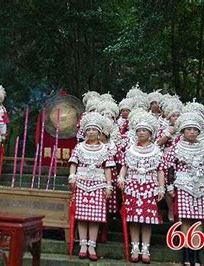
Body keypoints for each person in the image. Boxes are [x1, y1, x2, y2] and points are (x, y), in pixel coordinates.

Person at [165, 112, 204, 266]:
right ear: (182, 131)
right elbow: (170, 168)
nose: (192, 132)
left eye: (195, 130)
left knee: (199, 220)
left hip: (202, 186)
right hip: (183, 185)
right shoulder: (176, 147)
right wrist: (169, 186)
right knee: (186, 220)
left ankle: (196, 253)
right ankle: (186, 254)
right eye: (188, 129)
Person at [118, 110, 165, 264]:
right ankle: (135, 247)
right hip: (132, 186)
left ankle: (145, 247)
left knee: (147, 218)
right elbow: (124, 166)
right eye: (138, 130)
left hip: (150, 187)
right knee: (134, 218)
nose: (141, 133)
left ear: (150, 133)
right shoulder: (130, 149)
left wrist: (161, 188)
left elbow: (160, 170)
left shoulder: (157, 150)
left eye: (144, 130)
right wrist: (121, 177)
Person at [68, 112, 114, 261]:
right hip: (81, 183)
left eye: (94, 129)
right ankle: (82, 244)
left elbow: (108, 168)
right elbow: (73, 163)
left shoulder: (105, 149)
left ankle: (92, 244)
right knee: (82, 215)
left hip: (98, 184)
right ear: (84, 132)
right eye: (88, 129)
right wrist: (72, 177)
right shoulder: (79, 147)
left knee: (95, 216)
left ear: (99, 132)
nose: (91, 132)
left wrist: (108, 185)